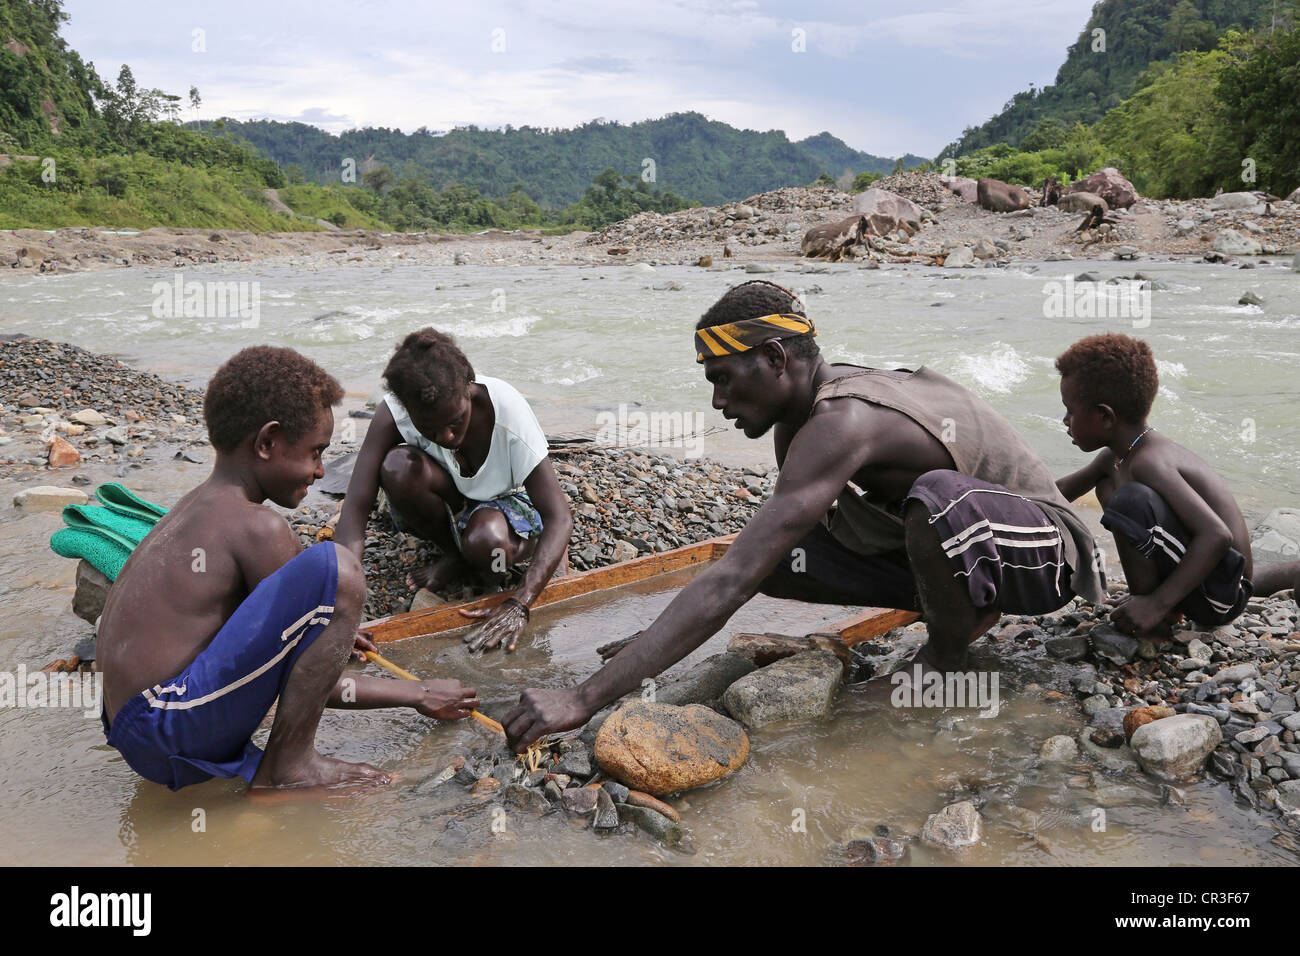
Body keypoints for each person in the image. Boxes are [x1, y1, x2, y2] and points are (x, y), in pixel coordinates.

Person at [503, 280, 1105, 749]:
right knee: (777, 557)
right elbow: (752, 560)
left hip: (1049, 555)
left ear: (772, 358)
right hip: (976, 553)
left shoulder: (844, 418)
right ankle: (964, 609)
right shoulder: (799, 421)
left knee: (934, 498)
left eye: (723, 379)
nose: (716, 401)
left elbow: (731, 579)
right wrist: (653, 642)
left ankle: (945, 657)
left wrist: (583, 698)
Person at [98, 346, 480, 792]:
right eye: (315, 452)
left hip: (133, 731)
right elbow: (318, 683)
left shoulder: (194, 509)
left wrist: (318, 630)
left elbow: (250, 629)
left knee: (321, 591)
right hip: (166, 725)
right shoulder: (258, 528)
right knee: (337, 569)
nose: (320, 471)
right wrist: (420, 693)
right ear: (266, 442)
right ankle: (290, 767)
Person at [336, 328, 573, 653]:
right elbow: (355, 508)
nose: (446, 437)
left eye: (456, 421)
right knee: (398, 467)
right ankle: (457, 553)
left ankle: (511, 549)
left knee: (488, 546)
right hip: (454, 499)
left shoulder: (507, 410)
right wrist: (340, 608)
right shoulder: (395, 412)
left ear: (468, 386)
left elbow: (559, 515)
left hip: (505, 504)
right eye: (429, 428)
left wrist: (521, 603)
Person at [1054, 333, 1297, 634]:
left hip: (1220, 598)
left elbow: (1217, 535)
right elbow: (1058, 493)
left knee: (1128, 501)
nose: (1065, 420)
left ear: (1105, 416)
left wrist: (1156, 604)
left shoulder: (1149, 462)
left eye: (1070, 410)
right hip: (1218, 578)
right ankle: (1153, 600)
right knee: (1108, 488)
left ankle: (1153, 610)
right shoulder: (1117, 456)